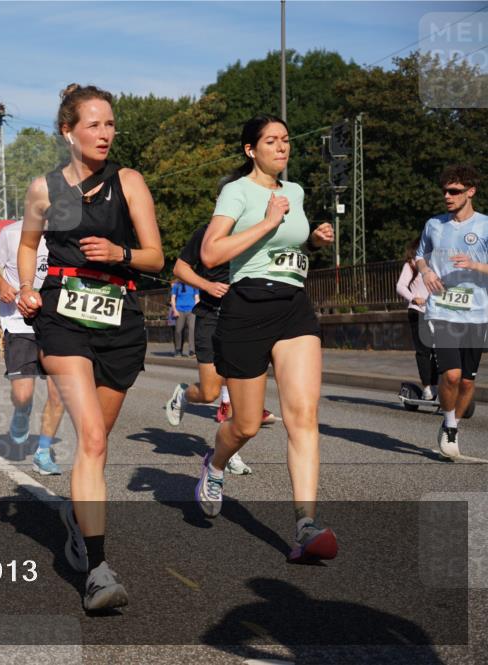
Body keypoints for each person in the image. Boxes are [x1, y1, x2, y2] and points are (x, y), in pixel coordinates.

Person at [17, 84, 164, 610]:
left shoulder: (129, 182)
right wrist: (27, 287)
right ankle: (98, 571)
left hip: (120, 320)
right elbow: (28, 245)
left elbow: (155, 257)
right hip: (62, 318)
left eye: (110, 125)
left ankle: (77, 520)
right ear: (68, 132)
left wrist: (119, 251)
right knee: (95, 440)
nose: (105, 134)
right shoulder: (43, 190)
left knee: (93, 448)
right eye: (94, 125)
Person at [198, 114, 337, 563]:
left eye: (286, 139)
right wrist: (266, 221)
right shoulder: (236, 193)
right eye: (272, 141)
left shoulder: (294, 192)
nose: (282, 147)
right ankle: (215, 464)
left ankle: (305, 524)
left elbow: (287, 249)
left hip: (294, 306)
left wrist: (312, 242)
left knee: (304, 416)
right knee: (247, 424)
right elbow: (211, 252)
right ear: (250, 150)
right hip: (247, 306)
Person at [164, 224, 276, 474]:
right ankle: (183, 395)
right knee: (209, 393)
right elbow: (179, 268)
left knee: (237, 388)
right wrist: (206, 286)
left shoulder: (257, 230)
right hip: (210, 316)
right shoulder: (207, 232)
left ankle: (230, 452)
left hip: (243, 320)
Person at [415, 165, 488, 458]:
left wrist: (475, 266)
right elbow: (420, 256)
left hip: (477, 312)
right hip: (443, 310)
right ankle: (448, 424)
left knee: (468, 380)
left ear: (471, 192)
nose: (447, 196)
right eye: (444, 190)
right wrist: (426, 272)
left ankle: (454, 421)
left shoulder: (485, 225)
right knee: (453, 375)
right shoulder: (434, 224)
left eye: (454, 191)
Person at [0, 219, 66, 475]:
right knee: (22, 394)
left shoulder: (66, 233)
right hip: (20, 324)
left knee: (59, 393)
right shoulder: (11, 233)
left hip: (57, 322)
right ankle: (22, 409)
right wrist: (3, 285)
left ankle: (43, 452)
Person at [396, 237, 439, 400]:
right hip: (418, 311)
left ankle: (436, 385)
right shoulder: (412, 264)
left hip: (436, 312)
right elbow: (400, 286)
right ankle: (427, 387)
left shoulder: (437, 265)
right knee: (424, 350)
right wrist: (414, 298)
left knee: (439, 350)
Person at [170, 278, 197, 357]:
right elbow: (173, 298)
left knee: (192, 329)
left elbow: (197, 298)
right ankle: (178, 350)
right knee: (178, 330)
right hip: (179, 310)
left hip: (191, 310)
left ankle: (192, 350)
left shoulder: (194, 285)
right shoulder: (176, 285)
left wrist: (196, 309)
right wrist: (174, 310)